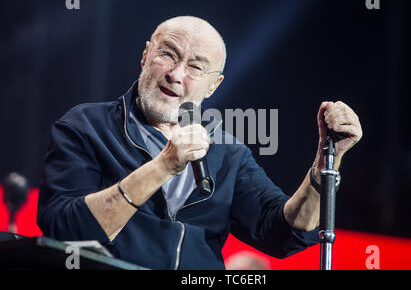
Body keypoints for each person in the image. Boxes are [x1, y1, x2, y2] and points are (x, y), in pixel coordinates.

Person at [37, 16, 363, 270]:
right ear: (145, 56)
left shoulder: (228, 153)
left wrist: (326, 158)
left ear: (213, 87)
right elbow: (64, 228)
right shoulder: (87, 127)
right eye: (167, 54)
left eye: (196, 67)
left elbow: (283, 233)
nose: (177, 75)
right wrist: (163, 166)